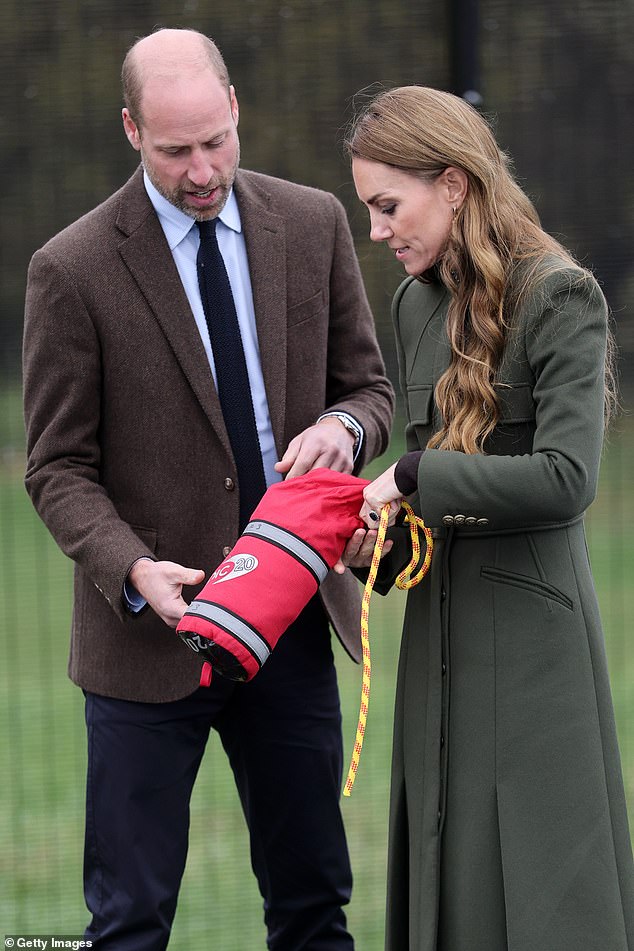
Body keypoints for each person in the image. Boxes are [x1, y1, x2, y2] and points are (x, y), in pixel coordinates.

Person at [22, 28, 394, 950]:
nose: (201, 169)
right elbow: (56, 466)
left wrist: (344, 430)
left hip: (292, 626)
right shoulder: (70, 269)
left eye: (214, 141)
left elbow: (373, 391)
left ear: (236, 107)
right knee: (129, 922)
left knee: (314, 910)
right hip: (146, 643)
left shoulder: (311, 224)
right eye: (174, 150)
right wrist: (134, 570)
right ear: (129, 131)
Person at [339, 86, 634, 951]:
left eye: (389, 205)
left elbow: (566, 480)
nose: (378, 230)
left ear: (456, 184)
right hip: (439, 647)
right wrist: (374, 551)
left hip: (536, 659)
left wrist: (415, 474)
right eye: (368, 209)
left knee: (548, 904)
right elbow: (430, 508)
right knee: (448, 898)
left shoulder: (562, 295)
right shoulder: (412, 303)